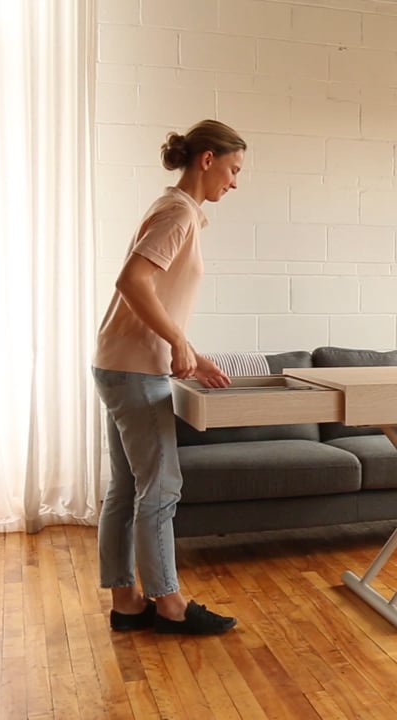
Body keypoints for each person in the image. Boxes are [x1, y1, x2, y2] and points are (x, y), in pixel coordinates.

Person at [91, 119, 245, 633]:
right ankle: (170, 605)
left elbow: (155, 295)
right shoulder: (179, 211)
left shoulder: (173, 209)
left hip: (119, 362)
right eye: (232, 169)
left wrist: (190, 352)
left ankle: (126, 601)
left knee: (127, 488)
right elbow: (133, 281)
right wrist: (177, 341)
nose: (234, 182)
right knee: (160, 489)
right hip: (136, 369)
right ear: (207, 160)